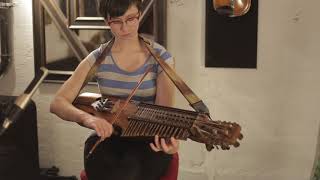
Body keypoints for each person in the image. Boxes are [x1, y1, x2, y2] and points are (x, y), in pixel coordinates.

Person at [50, 0, 179, 180]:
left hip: (146, 142)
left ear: (139, 14)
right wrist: (88, 119)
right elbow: (57, 103)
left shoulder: (161, 58)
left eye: (131, 19)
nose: (125, 28)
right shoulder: (98, 58)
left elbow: (162, 115)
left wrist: (168, 140)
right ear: (106, 22)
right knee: (105, 165)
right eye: (117, 21)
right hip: (109, 137)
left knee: (129, 170)